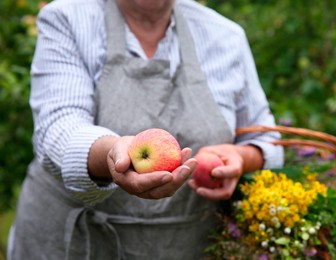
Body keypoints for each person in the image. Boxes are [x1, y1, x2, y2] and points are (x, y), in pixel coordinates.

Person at [8, 0, 284, 259]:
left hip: (186, 247)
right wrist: (113, 154)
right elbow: (58, 129)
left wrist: (241, 157)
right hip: (77, 245)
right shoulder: (68, 18)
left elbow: (266, 139)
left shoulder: (225, 37)